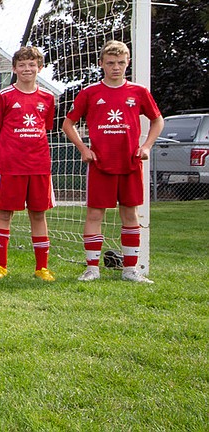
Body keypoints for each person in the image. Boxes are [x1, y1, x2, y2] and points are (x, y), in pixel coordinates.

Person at [62, 40, 164, 284]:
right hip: (100, 164)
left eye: (120, 62)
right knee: (95, 214)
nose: (116, 67)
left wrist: (146, 145)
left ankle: (130, 270)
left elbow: (158, 120)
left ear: (127, 63)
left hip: (130, 163)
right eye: (110, 63)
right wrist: (83, 148)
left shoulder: (138, 92)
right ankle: (92, 268)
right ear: (101, 64)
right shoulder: (90, 93)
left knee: (130, 214)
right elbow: (68, 123)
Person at [0, 46, 57, 281]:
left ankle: (42, 268)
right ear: (14, 68)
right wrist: (2, 160)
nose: (27, 69)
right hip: (11, 167)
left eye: (32, 65)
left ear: (39, 67)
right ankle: (0, 267)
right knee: (4, 213)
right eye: (22, 65)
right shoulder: (4, 96)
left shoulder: (48, 98)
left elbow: (45, 129)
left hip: (39, 166)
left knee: (38, 215)